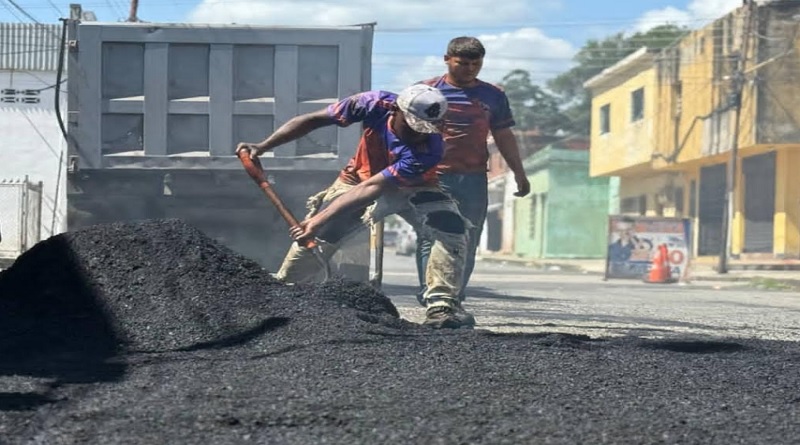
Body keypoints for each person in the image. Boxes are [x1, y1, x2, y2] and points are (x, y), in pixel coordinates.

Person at [236, 84, 475, 329]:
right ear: (396, 110)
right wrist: (264, 146)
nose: (419, 135)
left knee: (450, 226)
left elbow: (374, 188)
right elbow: (312, 120)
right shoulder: (373, 104)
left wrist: (316, 220)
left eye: (426, 129)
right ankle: (282, 292)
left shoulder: (430, 148)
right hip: (357, 178)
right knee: (327, 229)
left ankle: (441, 306)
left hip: (416, 186)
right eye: (413, 127)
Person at [413, 36, 530, 306]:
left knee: (468, 237)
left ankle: (453, 295)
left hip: (474, 177)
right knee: (431, 234)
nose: (469, 69)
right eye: (462, 63)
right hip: (433, 176)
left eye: (475, 64)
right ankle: (430, 293)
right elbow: (402, 132)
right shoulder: (426, 91)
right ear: (447, 59)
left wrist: (520, 173)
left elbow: (503, 135)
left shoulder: (493, 95)